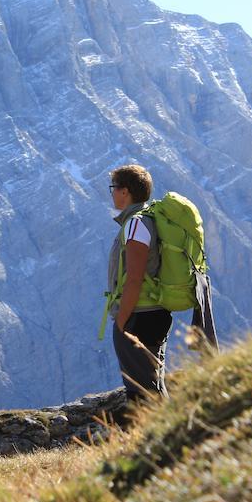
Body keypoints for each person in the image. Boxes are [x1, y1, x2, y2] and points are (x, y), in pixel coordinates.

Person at [106, 164, 171, 402]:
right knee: (153, 384)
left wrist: (122, 321)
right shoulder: (149, 218)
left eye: (113, 188)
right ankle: (168, 431)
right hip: (153, 313)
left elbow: (134, 278)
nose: (111, 193)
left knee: (141, 391)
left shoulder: (136, 224)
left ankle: (157, 435)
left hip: (139, 316)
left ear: (125, 192)